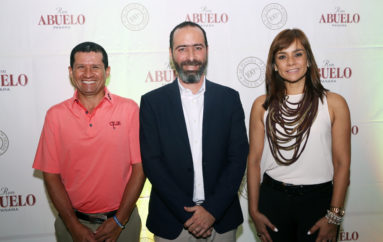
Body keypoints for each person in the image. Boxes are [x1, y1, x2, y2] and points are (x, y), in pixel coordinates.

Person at [139, 21, 249, 242]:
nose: (191, 56)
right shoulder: (152, 102)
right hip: (172, 222)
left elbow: (237, 159)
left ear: (207, 51)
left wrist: (211, 212)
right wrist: (188, 214)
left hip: (221, 220)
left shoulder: (229, 99)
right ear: (171, 54)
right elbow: (152, 163)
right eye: (182, 49)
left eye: (197, 47)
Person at [33, 42, 145, 242]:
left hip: (123, 222)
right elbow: (51, 175)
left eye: (95, 67)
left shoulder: (129, 110)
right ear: (70, 71)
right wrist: (73, 226)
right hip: (72, 223)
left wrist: (119, 221)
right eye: (81, 67)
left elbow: (140, 168)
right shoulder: (55, 115)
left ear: (107, 71)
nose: (88, 73)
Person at [247, 29, 351, 242]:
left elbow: (342, 164)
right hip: (273, 200)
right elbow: (254, 161)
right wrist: (253, 212)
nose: (291, 62)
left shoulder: (334, 103)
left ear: (309, 60)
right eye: (282, 56)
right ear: (275, 65)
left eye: (298, 54)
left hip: (318, 202)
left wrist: (334, 217)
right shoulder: (261, 105)